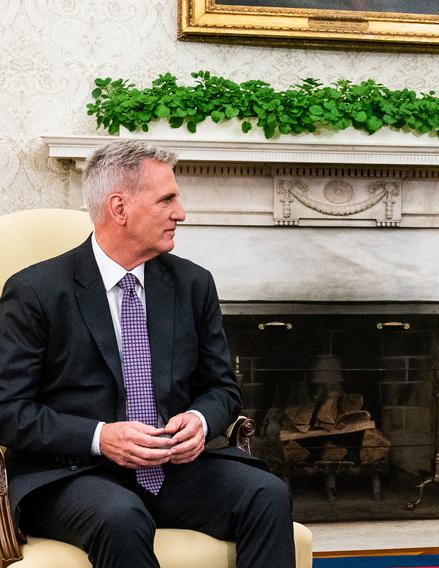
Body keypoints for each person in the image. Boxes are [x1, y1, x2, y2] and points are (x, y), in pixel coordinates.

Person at [0, 141, 295, 568]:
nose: (181, 212)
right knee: (121, 516)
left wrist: (199, 420)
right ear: (119, 208)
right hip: (71, 473)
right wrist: (102, 437)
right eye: (167, 199)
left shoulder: (193, 284)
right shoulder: (36, 292)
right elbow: (8, 410)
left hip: (173, 469)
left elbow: (221, 388)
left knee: (266, 494)